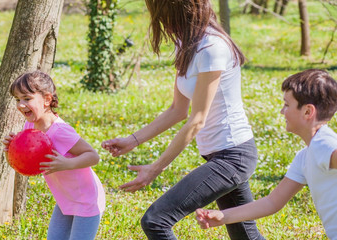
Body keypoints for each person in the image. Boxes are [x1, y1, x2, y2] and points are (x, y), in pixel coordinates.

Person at [102, 0, 265, 239]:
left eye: (160, 14)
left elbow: (197, 120)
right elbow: (177, 110)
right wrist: (133, 141)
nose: (160, 22)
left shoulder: (212, 47)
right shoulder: (187, 44)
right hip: (219, 155)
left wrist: (155, 169)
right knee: (245, 235)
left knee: (156, 221)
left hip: (234, 156)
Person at [196, 69, 337, 239]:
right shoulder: (305, 156)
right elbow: (272, 202)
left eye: (286, 105)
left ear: (308, 112)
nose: (282, 111)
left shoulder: (324, 144)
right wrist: (223, 216)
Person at [3, 71, 105, 240]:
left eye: (27, 99)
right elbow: (24, 166)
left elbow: (93, 156)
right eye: (17, 99)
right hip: (65, 199)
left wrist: (66, 163)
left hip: (87, 200)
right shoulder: (30, 126)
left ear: (47, 100)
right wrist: (11, 151)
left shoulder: (60, 131)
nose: (21, 105)